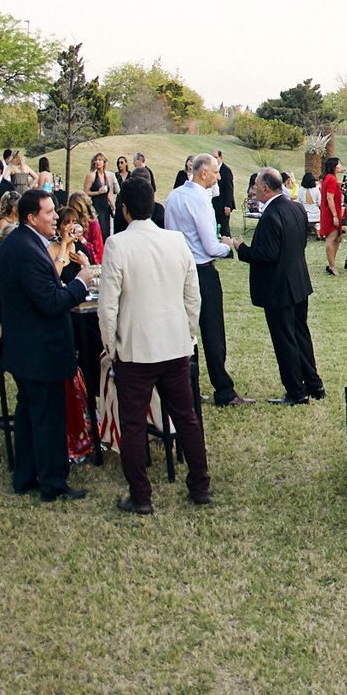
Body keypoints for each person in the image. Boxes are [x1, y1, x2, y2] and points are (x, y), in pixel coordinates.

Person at [93, 178, 209, 513]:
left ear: (124, 210)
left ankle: (142, 495)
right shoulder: (175, 241)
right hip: (174, 345)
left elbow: (108, 306)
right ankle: (199, 485)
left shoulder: (118, 245)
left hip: (136, 350)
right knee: (186, 417)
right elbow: (193, 297)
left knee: (132, 424)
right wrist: (188, 334)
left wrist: (111, 346)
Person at [0, 189, 94, 501]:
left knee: (29, 413)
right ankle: (52, 483)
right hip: (39, 351)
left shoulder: (20, 243)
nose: (55, 218)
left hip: (25, 349)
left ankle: (25, 476)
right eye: (49, 213)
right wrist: (81, 282)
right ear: (31, 217)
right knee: (48, 417)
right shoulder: (26, 249)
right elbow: (51, 302)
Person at [234, 168, 323, 405]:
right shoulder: (295, 207)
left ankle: (296, 391)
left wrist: (240, 247)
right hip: (298, 282)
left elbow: (267, 254)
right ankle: (315, 385)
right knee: (301, 334)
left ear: (265, 188)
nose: (252, 191)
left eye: (255, 186)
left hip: (279, 287)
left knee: (285, 340)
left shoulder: (272, 215)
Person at [164, 153, 240, 407]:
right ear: (203, 173)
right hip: (201, 269)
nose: (219, 177)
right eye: (216, 172)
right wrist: (228, 247)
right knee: (212, 330)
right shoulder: (199, 199)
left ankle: (189, 385)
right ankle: (224, 389)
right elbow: (209, 245)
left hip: (177, 270)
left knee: (185, 330)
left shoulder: (174, 196)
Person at [319, 156, 347, 275]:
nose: (340, 167)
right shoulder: (331, 179)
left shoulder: (330, 178)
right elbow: (330, 198)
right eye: (339, 164)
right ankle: (331, 265)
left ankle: (332, 263)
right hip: (331, 212)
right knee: (332, 238)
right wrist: (335, 215)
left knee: (338, 238)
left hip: (332, 211)